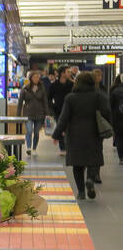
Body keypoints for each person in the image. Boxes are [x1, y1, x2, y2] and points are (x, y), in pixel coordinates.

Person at [51, 70, 110, 201]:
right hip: (94, 133)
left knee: (77, 164)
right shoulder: (98, 96)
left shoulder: (70, 98)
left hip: (74, 134)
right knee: (93, 159)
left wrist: (56, 134)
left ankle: (81, 192)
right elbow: (107, 112)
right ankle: (90, 179)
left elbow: (63, 118)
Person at [17, 69, 50, 155]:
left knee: (36, 133)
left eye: (38, 77)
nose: (36, 79)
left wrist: (47, 113)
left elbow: (45, 102)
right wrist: (18, 114)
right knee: (29, 130)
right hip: (28, 113)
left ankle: (34, 148)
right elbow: (20, 102)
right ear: (30, 78)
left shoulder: (42, 88)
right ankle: (28, 147)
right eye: (35, 77)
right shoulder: (25, 88)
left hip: (40, 113)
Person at [48, 67, 72, 154]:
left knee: (68, 128)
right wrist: (52, 106)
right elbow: (49, 98)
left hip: (70, 110)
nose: (70, 73)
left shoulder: (72, 84)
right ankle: (62, 148)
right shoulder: (54, 85)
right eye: (68, 71)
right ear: (62, 73)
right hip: (58, 110)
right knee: (60, 127)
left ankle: (68, 146)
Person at [110, 74, 123, 161]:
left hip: (117, 117)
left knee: (119, 136)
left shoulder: (114, 90)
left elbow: (110, 105)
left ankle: (121, 157)